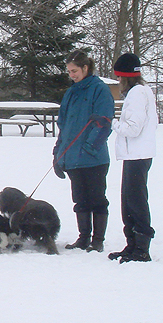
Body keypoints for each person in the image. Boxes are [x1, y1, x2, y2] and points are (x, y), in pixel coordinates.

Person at [54, 50, 115, 253]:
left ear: (85, 68)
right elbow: (64, 125)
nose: (72, 75)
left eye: (75, 71)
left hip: (94, 158)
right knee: (80, 200)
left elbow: (104, 122)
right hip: (72, 158)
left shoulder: (99, 89)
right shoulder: (71, 93)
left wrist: (90, 147)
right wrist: (58, 153)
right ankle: (83, 237)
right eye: (69, 71)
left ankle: (97, 240)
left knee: (97, 199)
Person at [108, 53, 158, 263]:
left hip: (138, 154)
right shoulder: (142, 91)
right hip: (136, 154)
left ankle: (142, 248)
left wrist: (111, 122)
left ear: (125, 77)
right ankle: (132, 244)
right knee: (128, 201)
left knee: (136, 201)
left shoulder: (137, 94)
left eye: (119, 78)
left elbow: (133, 128)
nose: (118, 82)